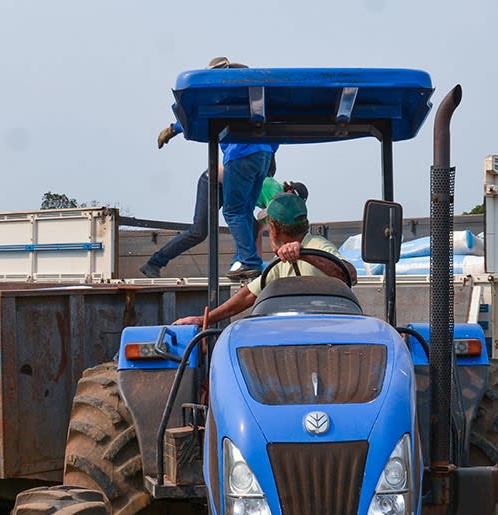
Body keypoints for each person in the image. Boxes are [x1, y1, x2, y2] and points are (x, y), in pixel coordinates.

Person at [150, 57, 279, 280]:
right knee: (241, 214)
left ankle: (247, 260)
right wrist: (268, 152)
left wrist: (175, 128)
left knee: (232, 212)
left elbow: (204, 112)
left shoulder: (225, 92)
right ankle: (244, 260)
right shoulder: (256, 94)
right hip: (262, 156)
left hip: (238, 158)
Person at [174, 192, 356, 326]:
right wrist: (202, 320)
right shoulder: (280, 263)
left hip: (326, 331)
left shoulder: (316, 245)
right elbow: (247, 295)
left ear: (274, 230)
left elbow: (349, 274)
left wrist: (304, 254)